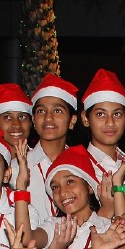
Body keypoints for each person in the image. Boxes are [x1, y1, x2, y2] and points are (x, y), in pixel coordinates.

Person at [80, 69, 125, 189]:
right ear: (85, 118)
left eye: (117, 114)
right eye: (100, 114)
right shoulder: (77, 168)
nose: (110, 122)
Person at [26, 73, 78, 209]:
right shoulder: (17, 168)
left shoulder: (82, 166)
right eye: (41, 111)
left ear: (72, 121)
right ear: (33, 120)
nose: (48, 118)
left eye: (57, 111)